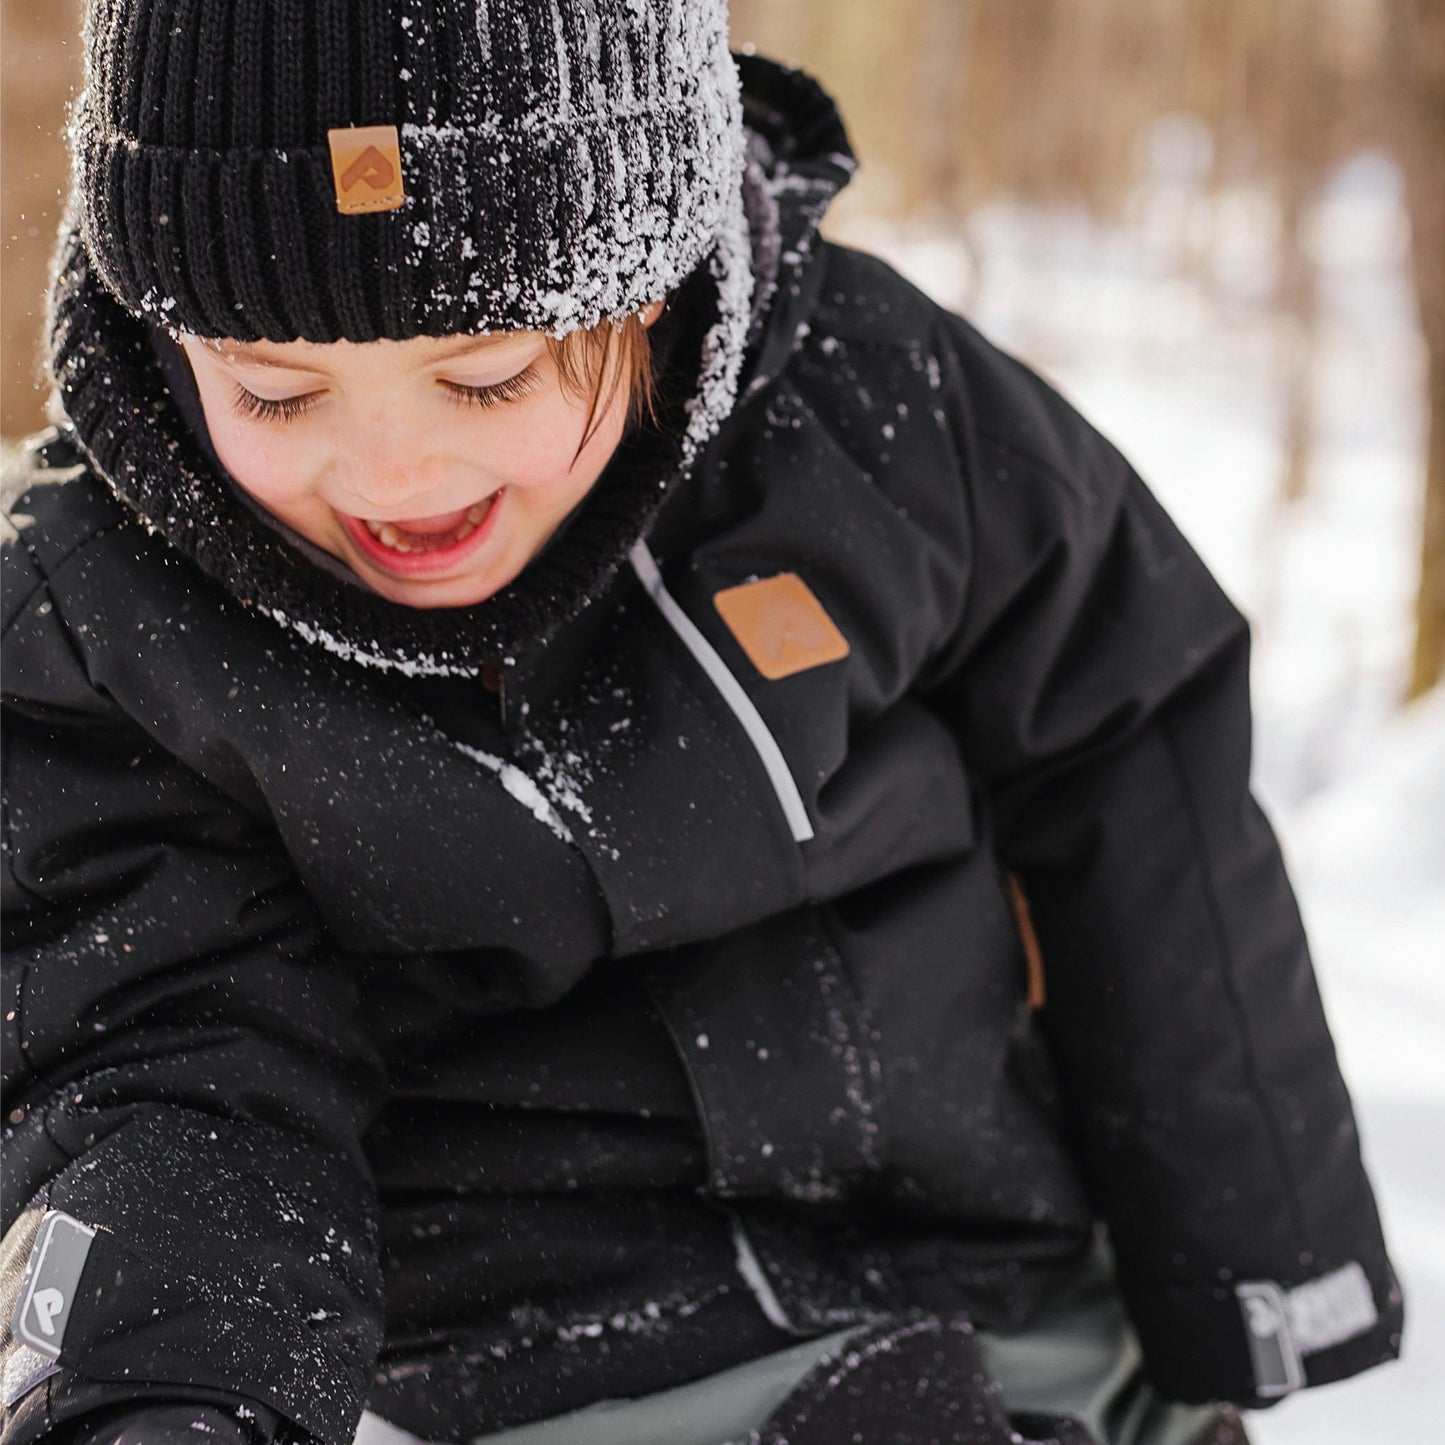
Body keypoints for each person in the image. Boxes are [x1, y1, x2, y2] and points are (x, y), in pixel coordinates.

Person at [0, 3, 1403, 1444]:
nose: (390, 469)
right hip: (560, 1357)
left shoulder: (872, 410)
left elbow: (1138, 751)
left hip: (1002, 1265)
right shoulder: (97, 627)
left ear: (650, 277)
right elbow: (155, 1043)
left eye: (486, 373)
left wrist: (1247, 1246)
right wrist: (158, 1394)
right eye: (275, 391)